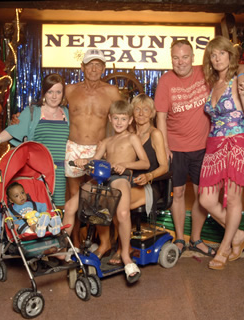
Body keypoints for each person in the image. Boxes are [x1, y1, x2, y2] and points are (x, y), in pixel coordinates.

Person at [154, 39, 244, 258]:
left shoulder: (206, 73)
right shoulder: (166, 81)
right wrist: (164, 147)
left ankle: (196, 238)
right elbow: (161, 116)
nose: (181, 62)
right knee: (177, 193)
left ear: (193, 58)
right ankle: (181, 238)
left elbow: (238, 67)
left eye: (185, 57)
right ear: (171, 59)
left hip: (204, 146)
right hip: (176, 147)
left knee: (202, 197)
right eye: (176, 58)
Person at [66, 99, 150, 283]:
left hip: (120, 179)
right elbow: (95, 161)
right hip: (102, 179)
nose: (119, 122)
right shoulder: (106, 141)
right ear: (110, 119)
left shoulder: (132, 138)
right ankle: (66, 249)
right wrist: (84, 162)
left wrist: (124, 165)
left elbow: (145, 163)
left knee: (122, 212)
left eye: (123, 119)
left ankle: (126, 257)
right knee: (71, 205)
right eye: (116, 118)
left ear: (130, 121)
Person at [199, 36, 244, 270]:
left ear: (230, 55)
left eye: (221, 53)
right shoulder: (213, 83)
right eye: (213, 55)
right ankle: (238, 236)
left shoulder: (240, 79)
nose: (217, 58)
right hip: (213, 145)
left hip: (236, 144)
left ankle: (224, 248)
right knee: (206, 199)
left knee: (233, 198)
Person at [0, 73, 69, 208]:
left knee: (59, 211)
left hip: (61, 172)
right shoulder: (33, 112)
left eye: (58, 92)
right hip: (38, 172)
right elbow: (13, 130)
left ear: (63, 94)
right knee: (38, 210)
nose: (54, 96)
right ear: (44, 92)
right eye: (50, 91)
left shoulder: (66, 113)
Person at [64, 49, 122, 251]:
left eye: (98, 65)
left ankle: (102, 242)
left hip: (98, 149)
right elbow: (52, 109)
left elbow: (123, 119)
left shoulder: (112, 92)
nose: (94, 68)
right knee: (74, 195)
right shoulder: (69, 90)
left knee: (97, 196)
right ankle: (76, 244)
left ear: (104, 69)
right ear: (82, 67)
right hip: (73, 147)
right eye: (90, 64)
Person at [108, 93, 169, 265]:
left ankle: (122, 249)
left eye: (146, 109)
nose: (141, 113)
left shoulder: (155, 134)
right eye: (137, 109)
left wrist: (149, 175)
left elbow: (165, 166)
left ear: (152, 113)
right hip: (128, 182)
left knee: (117, 201)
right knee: (110, 198)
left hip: (149, 184)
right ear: (132, 113)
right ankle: (117, 245)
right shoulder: (129, 133)